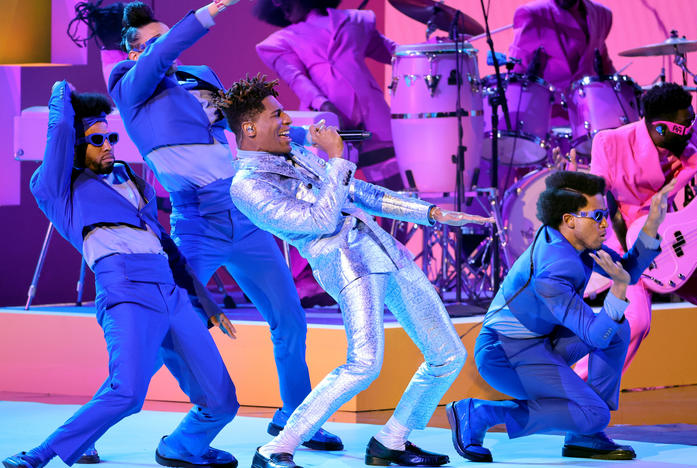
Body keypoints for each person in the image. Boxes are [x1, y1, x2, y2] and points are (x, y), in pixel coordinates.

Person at [215, 75, 495, 468]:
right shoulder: (247, 185)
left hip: (387, 253)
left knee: (447, 354)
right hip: (348, 266)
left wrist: (429, 213)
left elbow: (359, 192)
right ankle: (277, 447)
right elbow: (321, 218)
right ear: (249, 128)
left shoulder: (296, 152)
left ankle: (392, 441)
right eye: (277, 114)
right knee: (364, 363)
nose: (286, 121)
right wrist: (338, 159)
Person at [108, 1, 342, 451]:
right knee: (170, 326)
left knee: (290, 320)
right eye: (156, 40)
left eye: (169, 36)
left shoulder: (198, 74)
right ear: (135, 51)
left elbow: (241, 131)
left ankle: (296, 417)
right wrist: (203, 15)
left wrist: (302, 134)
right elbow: (161, 54)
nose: (167, 47)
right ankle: (104, 414)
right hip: (197, 221)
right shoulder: (129, 83)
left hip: (245, 213)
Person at [2, 82, 238, 468]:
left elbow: (167, 246)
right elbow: (60, 132)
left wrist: (206, 302)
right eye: (97, 139)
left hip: (171, 293)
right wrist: (63, 92)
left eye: (111, 136)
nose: (109, 144)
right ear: (77, 146)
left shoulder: (132, 179)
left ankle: (182, 447)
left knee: (223, 402)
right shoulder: (57, 188)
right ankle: (41, 453)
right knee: (128, 392)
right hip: (125, 290)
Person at [446, 170, 669, 462]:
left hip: (538, 343)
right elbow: (594, 334)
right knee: (595, 412)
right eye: (598, 215)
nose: (605, 224)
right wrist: (619, 286)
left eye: (606, 213)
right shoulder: (553, 269)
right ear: (569, 219)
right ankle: (479, 413)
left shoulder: (572, 241)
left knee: (617, 329)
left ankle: (584, 433)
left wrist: (652, 223)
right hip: (504, 355)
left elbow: (627, 270)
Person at [576, 83, 697, 377]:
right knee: (635, 321)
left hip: (674, 240)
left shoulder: (692, 134)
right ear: (660, 128)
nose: (691, 128)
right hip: (627, 245)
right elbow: (601, 202)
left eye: (692, 119)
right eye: (685, 124)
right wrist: (629, 260)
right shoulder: (610, 142)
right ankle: (572, 390)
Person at [254, 0, 402, 190]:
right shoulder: (279, 41)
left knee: (394, 195)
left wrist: (430, 47)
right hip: (326, 123)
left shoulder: (355, 20)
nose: (279, 4)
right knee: (329, 194)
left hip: (373, 119)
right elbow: (297, 80)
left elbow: (394, 53)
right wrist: (326, 108)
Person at [508, 0, 615, 125]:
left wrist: (627, 93)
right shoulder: (534, 14)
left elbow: (602, 62)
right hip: (548, 119)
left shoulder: (602, 14)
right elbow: (517, 72)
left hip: (591, 116)